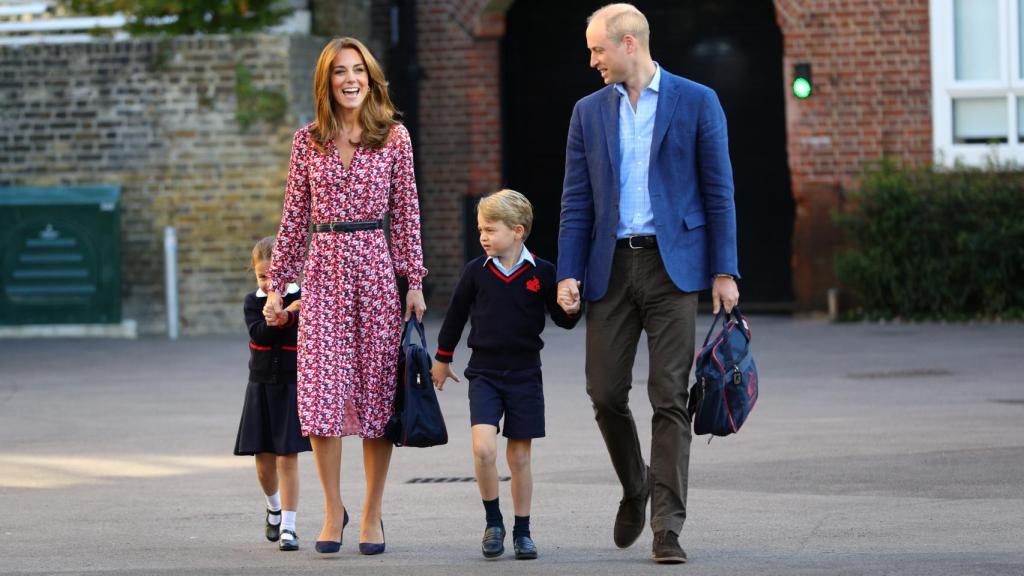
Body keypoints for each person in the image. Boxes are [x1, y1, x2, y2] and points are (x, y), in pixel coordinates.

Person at [556, 3, 741, 564]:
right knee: (605, 392)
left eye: (597, 49)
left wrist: (724, 270)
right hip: (608, 268)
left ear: (629, 43)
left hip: (673, 266)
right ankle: (635, 485)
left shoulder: (698, 101)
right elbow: (576, 201)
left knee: (669, 395)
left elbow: (719, 192)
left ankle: (666, 525)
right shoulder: (587, 113)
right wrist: (567, 271)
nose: (592, 61)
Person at [262, 37, 427, 556]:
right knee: (322, 397)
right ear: (326, 82)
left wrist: (415, 280)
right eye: (340, 72)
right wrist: (276, 287)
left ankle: (373, 513)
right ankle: (333, 509)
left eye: (359, 70)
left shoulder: (394, 137)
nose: (350, 79)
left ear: (371, 78)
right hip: (324, 272)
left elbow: (406, 214)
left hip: (375, 271)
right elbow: (292, 219)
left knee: (378, 398)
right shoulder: (306, 141)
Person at [430, 190, 579, 560]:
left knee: (520, 457)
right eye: (480, 228)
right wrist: (442, 359)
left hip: (526, 374)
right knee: (483, 449)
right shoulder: (475, 272)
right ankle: (493, 522)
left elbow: (562, 319)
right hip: (484, 372)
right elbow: (454, 317)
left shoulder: (542, 272)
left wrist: (573, 306)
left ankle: (523, 531)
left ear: (518, 231)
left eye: (490, 230)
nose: (483, 236)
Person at [233, 236, 311, 551]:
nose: (268, 282)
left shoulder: (303, 297)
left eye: (273, 276)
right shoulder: (253, 302)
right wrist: (282, 312)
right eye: (262, 276)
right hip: (261, 385)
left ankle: (290, 527)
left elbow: (302, 327)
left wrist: (290, 311)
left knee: (288, 457)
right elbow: (259, 334)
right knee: (263, 459)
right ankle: (274, 507)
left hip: (292, 385)